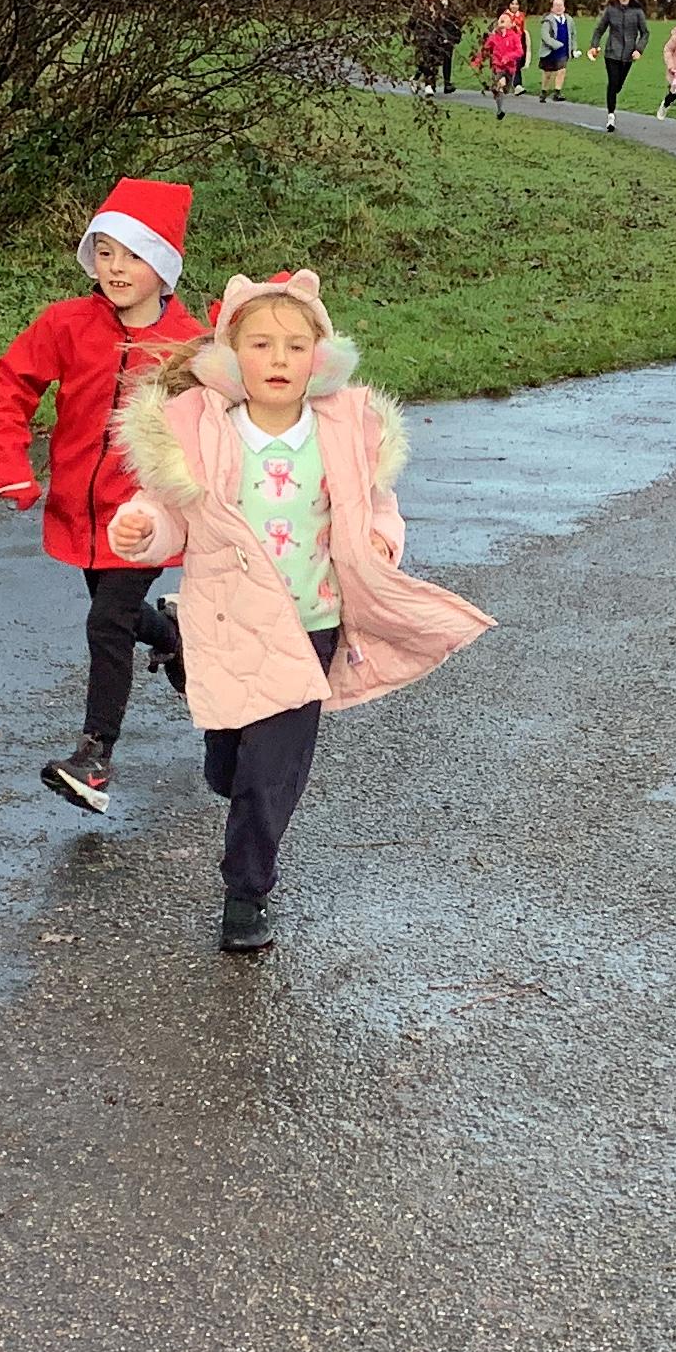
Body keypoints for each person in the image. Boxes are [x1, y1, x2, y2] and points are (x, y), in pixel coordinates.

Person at [110, 272, 492, 954]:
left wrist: (381, 539)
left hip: (310, 623)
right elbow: (169, 512)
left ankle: (245, 894)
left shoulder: (343, 431)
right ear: (232, 356)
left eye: (295, 345)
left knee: (271, 774)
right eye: (260, 344)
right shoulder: (202, 430)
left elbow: (376, 503)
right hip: (226, 621)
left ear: (321, 356)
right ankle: (211, 725)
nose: (278, 359)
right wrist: (141, 528)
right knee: (230, 767)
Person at [0, 180, 204, 814]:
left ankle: (94, 757)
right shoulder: (67, 323)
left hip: (147, 517)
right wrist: (10, 465)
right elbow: (13, 384)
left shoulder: (188, 345)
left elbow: (220, 427)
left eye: (133, 255)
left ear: (163, 264)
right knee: (119, 616)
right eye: (104, 252)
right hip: (80, 511)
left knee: (106, 622)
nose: (115, 268)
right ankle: (171, 635)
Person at [589, 0, 648, 131]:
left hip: (629, 54)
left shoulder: (637, 12)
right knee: (613, 82)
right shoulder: (610, 10)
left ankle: (612, 97)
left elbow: (645, 33)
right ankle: (611, 116)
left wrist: (639, 49)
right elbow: (599, 30)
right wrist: (594, 46)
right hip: (612, 53)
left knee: (618, 85)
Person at [470, 1, 530, 117]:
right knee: (500, 84)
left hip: (510, 68)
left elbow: (520, 52)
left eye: (505, 19)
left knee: (504, 89)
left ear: (510, 24)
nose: (502, 19)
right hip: (497, 67)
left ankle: (498, 95)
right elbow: (485, 50)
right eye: (501, 19)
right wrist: (477, 61)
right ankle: (500, 110)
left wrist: (508, 57)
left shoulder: (514, 37)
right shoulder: (494, 37)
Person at [535, 0, 576, 103]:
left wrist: (573, 49)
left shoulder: (569, 20)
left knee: (562, 71)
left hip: (563, 51)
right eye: (556, 5)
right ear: (552, 8)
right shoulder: (548, 21)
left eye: (561, 5)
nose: (559, 8)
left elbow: (573, 35)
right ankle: (544, 91)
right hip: (550, 52)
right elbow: (545, 36)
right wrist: (556, 44)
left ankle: (557, 92)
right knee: (547, 74)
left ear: (564, 7)